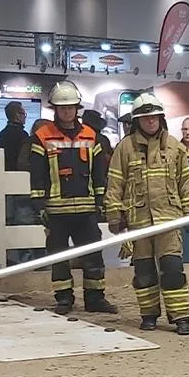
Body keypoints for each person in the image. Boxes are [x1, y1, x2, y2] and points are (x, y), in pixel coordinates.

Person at [104, 92, 189, 335]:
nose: (151, 121)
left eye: (154, 117)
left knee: (173, 269)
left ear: (161, 118)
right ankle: (149, 316)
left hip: (169, 220)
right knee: (143, 272)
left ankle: (181, 318)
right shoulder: (124, 149)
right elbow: (115, 184)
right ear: (137, 121)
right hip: (139, 222)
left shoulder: (175, 148)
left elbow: (185, 183)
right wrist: (114, 216)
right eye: (145, 118)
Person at [29, 80, 117, 315]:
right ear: (55, 109)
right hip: (56, 210)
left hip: (87, 209)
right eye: (62, 107)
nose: (67, 111)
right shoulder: (41, 137)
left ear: (77, 109)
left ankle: (95, 298)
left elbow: (100, 174)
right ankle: (64, 300)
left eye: (71, 107)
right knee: (59, 257)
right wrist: (39, 207)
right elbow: (37, 177)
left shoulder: (91, 136)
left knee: (93, 255)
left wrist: (100, 201)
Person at [0, 101, 29, 172]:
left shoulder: (2, 134)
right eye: (23, 114)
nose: (25, 117)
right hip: (20, 175)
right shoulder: (23, 135)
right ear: (17, 115)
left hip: (4, 173)